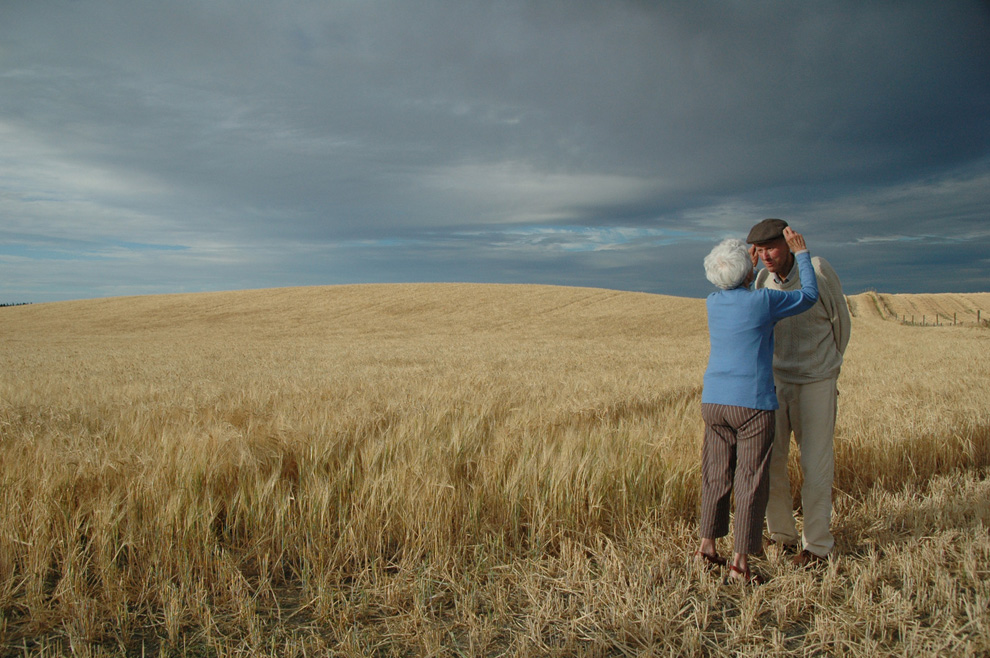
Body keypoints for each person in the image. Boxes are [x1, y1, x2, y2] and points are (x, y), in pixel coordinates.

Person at [696, 227, 818, 585]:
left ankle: (706, 547)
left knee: (715, 475)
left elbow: (734, 288)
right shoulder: (764, 300)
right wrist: (804, 254)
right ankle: (739, 563)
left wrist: (741, 271)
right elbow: (809, 295)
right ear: (749, 273)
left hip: (714, 402)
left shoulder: (712, 302)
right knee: (751, 480)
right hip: (752, 405)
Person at [747, 218, 851, 568]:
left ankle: (818, 546)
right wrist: (745, 277)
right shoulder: (761, 279)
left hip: (816, 381)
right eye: (759, 251)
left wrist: (826, 369)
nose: (766, 256)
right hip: (775, 383)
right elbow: (747, 318)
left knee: (815, 463)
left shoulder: (818, 270)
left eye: (772, 247)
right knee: (772, 463)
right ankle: (782, 536)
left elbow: (841, 324)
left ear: (790, 243)